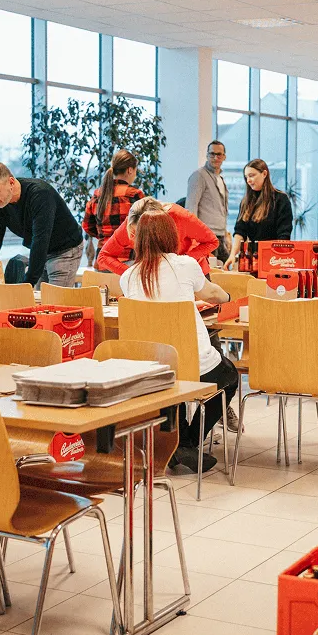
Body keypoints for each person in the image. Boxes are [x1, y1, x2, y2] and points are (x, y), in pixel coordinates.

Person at [119, 210, 235, 473]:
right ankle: (188, 443)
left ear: (139, 239)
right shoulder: (185, 265)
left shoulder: (128, 277)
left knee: (173, 382)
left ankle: (177, 445)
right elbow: (211, 293)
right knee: (229, 376)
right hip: (193, 364)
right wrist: (229, 298)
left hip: (152, 367)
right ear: (171, 235)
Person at [0, 161, 83, 286]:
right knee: (39, 297)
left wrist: (27, 284)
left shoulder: (40, 195)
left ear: (11, 182)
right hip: (41, 251)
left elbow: (40, 240)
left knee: (54, 297)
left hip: (65, 249)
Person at [97, 197, 219, 275]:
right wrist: (131, 274)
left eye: (145, 232)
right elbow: (104, 256)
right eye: (137, 233)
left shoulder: (179, 216)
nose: (142, 237)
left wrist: (183, 259)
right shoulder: (131, 223)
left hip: (191, 273)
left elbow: (212, 241)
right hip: (154, 278)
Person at [228, 159, 293, 268]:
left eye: (252, 175)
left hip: (274, 259)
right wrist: (232, 255)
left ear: (264, 174)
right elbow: (240, 231)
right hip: (253, 260)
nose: (248, 180)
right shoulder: (246, 202)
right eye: (246, 177)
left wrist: (276, 259)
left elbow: (284, 236)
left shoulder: (280, 199)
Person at [82, 149, 145, 254]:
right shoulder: (135, 195)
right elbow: (148, 227)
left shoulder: (97, 195)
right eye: (135, 170)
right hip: (128, 257)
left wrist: (105, 236)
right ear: (130, 170)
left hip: (103, 257)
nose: (135, 174)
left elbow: (87, 226)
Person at [186, 140, 231, 263]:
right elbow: (191, 207)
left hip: (220, 235)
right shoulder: (199, 176)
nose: (215, 158)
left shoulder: (220, 178)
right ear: (207, 155)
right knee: (209, 271)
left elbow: (222, 210)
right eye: (212, 154)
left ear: (224, 157)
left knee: (224, 268)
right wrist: (194, 237)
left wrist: (225, 233)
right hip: (205, 236)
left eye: (219, 154)